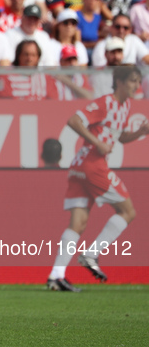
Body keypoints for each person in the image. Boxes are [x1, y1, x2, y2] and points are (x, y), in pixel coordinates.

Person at [47, 66, 149, 292]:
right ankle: (92, 253)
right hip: (93, 165)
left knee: (78, 223)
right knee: (128, 211)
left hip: (79, 168)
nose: (136, 85)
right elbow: (74, 120)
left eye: (138, 81)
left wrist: (140, 132)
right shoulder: (105, 102)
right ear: (119, 81)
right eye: (132, 80)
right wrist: (98, 142)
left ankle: (56, 275)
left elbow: (119, 137)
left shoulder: (124, 107)